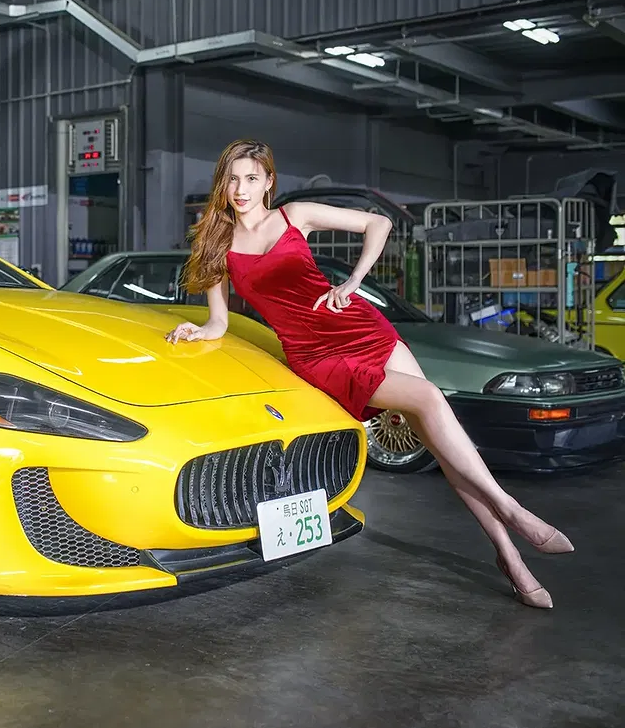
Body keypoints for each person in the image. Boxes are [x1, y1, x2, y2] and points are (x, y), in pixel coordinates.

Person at [166, 138, 573, 609]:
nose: (241, 189)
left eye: (251, 178)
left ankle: (510, 556)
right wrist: (199, 330)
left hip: (361, 327)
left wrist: (354, 280)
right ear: (223, 184)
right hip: (316, 354)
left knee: (442, 443)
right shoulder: (218, 244)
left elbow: (379, 223)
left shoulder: (294, 216)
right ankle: (511, 509)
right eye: (233, 179)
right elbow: (219, 320)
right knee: (430, 399)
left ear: (268, 182)